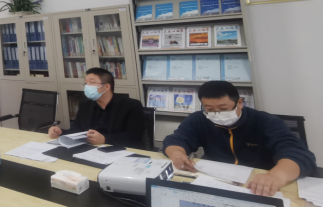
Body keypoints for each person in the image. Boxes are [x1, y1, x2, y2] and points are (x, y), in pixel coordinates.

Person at [163, 81, 317, 196]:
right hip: (214, 180)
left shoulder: (266, 122)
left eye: (223, 108)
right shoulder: (199, 119)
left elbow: (298, 154)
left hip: (257, 184)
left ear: (240, 103)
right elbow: (176, 140)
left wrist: (276, 176)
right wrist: (177, 153)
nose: (217, 114)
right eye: (209, 109)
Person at [47, 68, 146, 149]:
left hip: (121, 151)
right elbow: (77, 131)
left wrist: (104, 139)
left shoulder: (131, 105)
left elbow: (134, 136)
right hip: (90, 150)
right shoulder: (85, 105)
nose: (87, 87)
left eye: (92, 82)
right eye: (86, 83)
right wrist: (61, 132)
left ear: (106, 87)